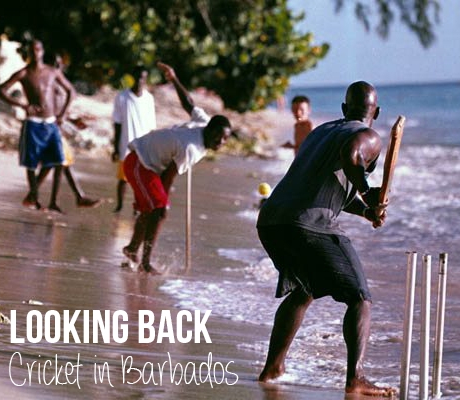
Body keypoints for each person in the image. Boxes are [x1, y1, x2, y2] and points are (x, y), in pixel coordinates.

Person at [256, 81, 395, 397]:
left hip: (272, 221)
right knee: (360, 297)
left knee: (304, 290)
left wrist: (366, 211)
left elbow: (330, 187)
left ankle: (273, 367)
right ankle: (356, 378)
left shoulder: (319, 133)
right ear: (378, 112)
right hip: (308, 224)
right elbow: (353, 154)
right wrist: (366, 188)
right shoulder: (369, 136)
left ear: (344, 109)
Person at [121, 62, 232, 274]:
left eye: (224, 140)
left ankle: (132, 249)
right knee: (160, 210)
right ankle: (145, 262)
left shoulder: (204, 121)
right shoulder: (191, 148)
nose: (219, 143)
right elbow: (167, 177)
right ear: (208, 130)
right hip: (139, 162)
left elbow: (188, 102)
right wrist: (161, 199)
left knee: (150, 208)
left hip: (147, 163)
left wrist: (173, 78)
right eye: (217, 137)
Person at [0, 39, 73, 212]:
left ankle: (48, 199)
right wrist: (23, 105)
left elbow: (70, 91)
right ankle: (35, 196)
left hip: (51, 122)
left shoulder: (52, 72)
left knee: (58, 160)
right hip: (33, 123)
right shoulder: (24, 73)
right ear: (29, 53)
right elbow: (0, 90)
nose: (36, 53)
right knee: (31, 163)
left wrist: (63, 114)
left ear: (42, 51)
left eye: (38, 49)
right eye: (32, 50)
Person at [35, 53, 100, 209]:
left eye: (60, 65)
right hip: (47, 128)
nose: (59, 68)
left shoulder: (58, 83)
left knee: (60, 162)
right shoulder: (46, 83)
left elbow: (59, 110)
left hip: (55, 128)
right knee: (60, 161)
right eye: (55, 65)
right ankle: (68, 198)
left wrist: (73, 121)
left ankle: (46, 197)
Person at [112, 66, 157, 213]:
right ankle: (119, 206)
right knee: (123, 178)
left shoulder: (149, 99)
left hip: (144, 146)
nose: (139, 80)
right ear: (132, 77)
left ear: (146, 79)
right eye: (137, 77)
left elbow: (152, 126)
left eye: (142, 78)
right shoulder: (122, 97)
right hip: (126, 144)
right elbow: (117, 123)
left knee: (141, 179)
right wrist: (115, 147)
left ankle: (137, 207)